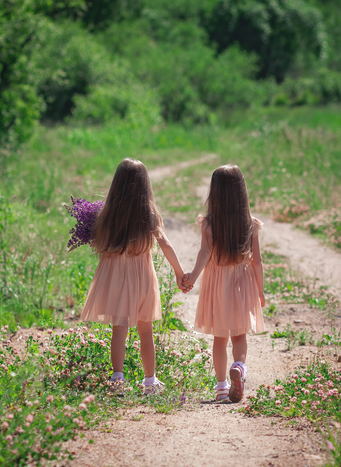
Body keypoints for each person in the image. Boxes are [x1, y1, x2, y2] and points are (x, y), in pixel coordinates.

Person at [80, 158, 186, 395]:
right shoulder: (148, 214)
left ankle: (118, 379)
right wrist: (180, 273)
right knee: (145, 328)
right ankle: (150, 381)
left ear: (116, 184)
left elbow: (97, 240)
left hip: (115, 276)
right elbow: (165, 244)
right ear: (144, 186)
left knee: (119, 329)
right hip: (141, 277)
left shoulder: (107, 214)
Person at [182, 164, 265, 402]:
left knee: (220, 338)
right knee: (239, 335)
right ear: (242, 192)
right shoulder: (251, 223)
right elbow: (257, 262)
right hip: (242, 281)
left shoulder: (209, 223)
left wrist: (193, 276)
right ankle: (239, 366)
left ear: (214, 192)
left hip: (217, 283)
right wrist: (260, 290)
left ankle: (221, 387)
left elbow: (205, 253)